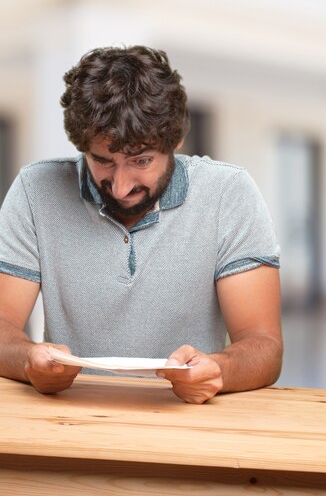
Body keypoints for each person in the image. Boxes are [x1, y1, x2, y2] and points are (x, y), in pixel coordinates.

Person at [0, 46, 282, 404]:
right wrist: (28, 360)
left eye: (141, 160)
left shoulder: (229, 194)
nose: (120, 186)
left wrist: (220, 369)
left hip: (189, 417)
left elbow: (265, 346)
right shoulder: (35, 190)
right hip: (71, 421)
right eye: (101, 161)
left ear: (176, 142)